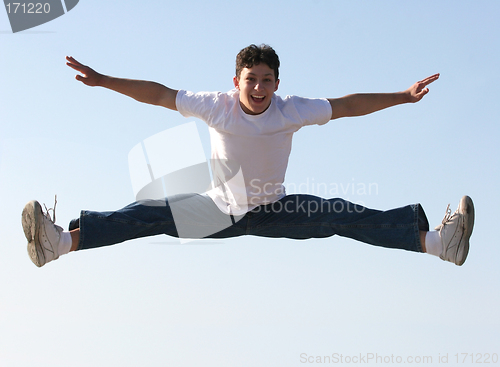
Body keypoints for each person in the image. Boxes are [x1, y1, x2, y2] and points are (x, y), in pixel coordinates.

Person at [21, 44, 474, 268]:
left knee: (342, 214)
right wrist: (103, 80)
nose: (259, 89)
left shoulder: (292, 109)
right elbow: (158, 94)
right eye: (251, 79)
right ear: (236, 80)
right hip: (218, 210)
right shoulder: (214, 104)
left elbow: (350, 105)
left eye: (267, 80)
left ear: (277, 83)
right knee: (149, 212)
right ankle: (58, 244)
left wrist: (402, 95)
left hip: (275, 210)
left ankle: (438, 245)